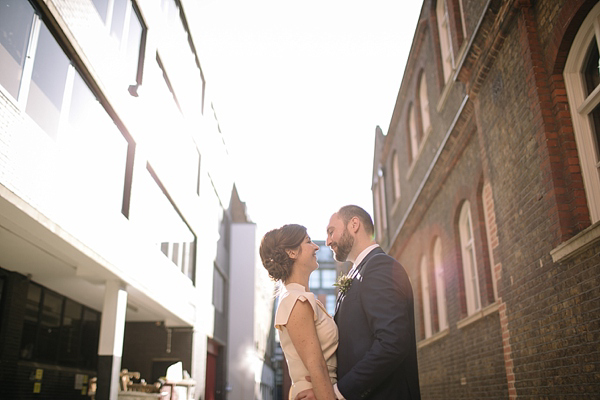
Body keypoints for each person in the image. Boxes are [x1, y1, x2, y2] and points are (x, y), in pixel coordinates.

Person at [296, 205, 421, 400]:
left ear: (354, 224)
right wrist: (323, 381)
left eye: (331, 231)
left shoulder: (379, 267)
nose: (328, 241)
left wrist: (337, 392)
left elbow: (392, 343)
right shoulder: (359, 272)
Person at [260, 224, 338, 400]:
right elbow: (316, 365)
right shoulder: (296, 301)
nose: (316, 247)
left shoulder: (301, 298)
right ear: (292, 253)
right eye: (309, 241)